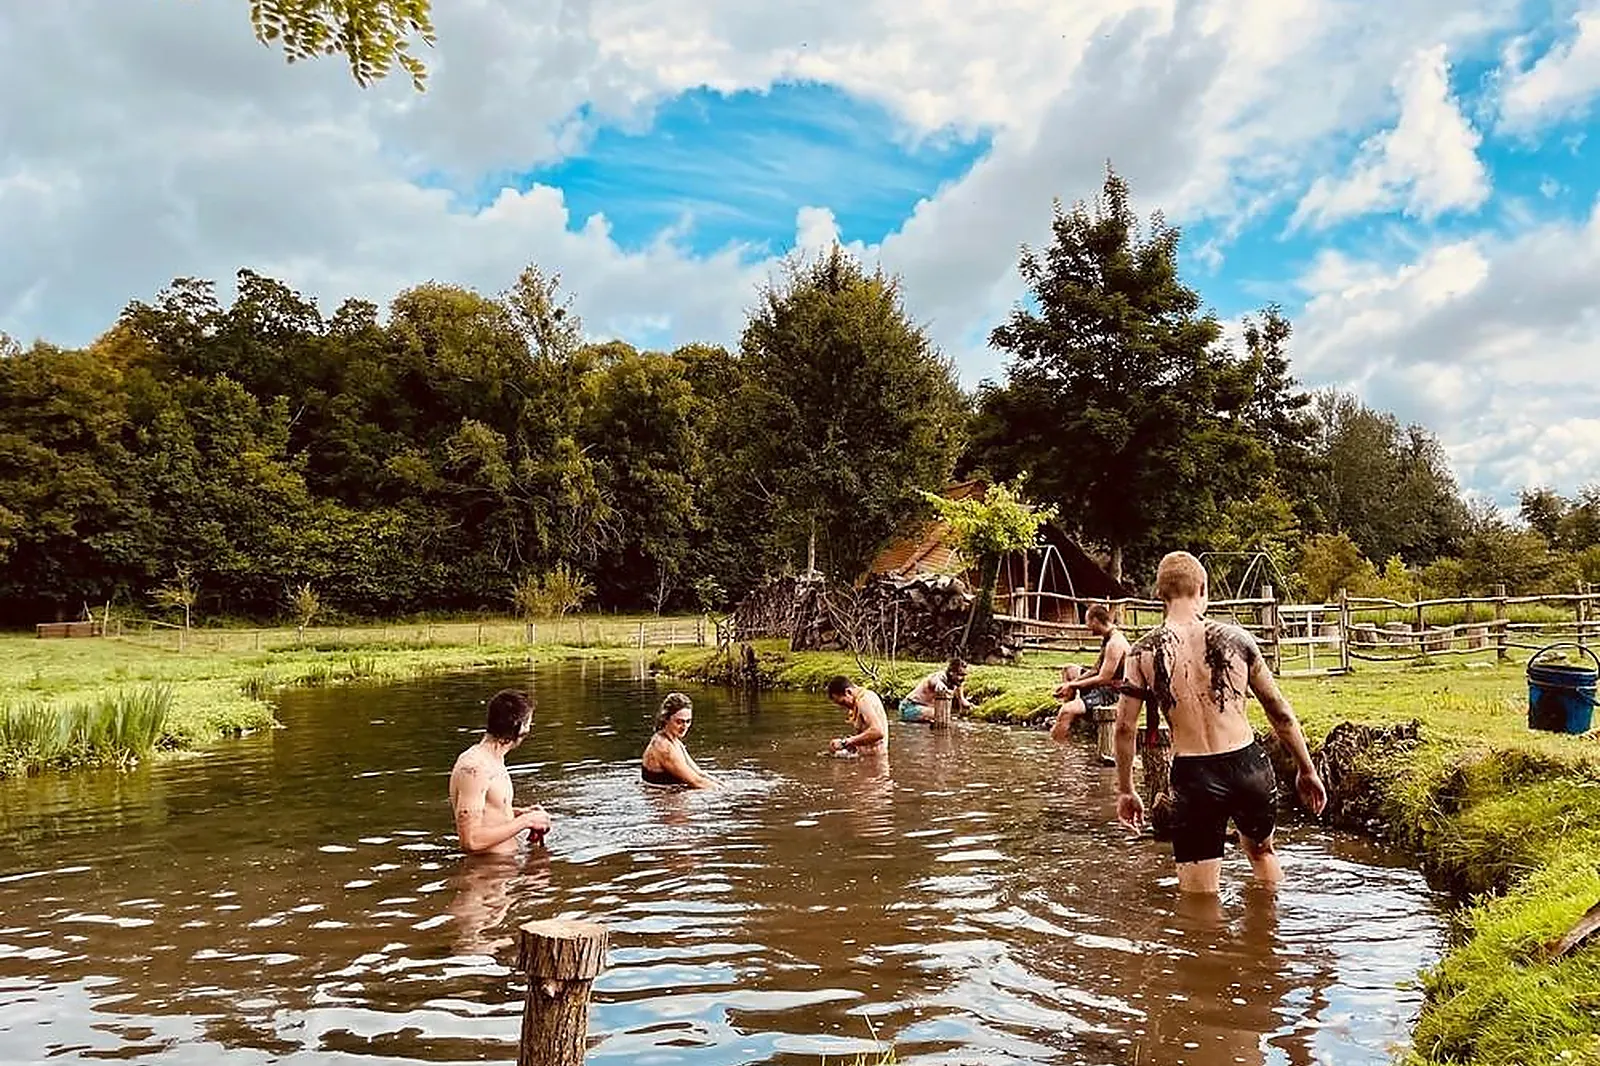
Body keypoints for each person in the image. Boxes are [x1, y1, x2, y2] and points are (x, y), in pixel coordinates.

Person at [1113, 551, 1327, 894]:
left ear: (1159, 595)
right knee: (1262, 854)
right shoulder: (1237, 640)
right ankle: (1268, 939)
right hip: (1247, 765)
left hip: (1194, 775)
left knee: (1199, 897)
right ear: (1203, 589)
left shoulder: (1142, 652)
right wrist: (1307, 769)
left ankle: (1207, 947)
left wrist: (1126, 789)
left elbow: (1124, 728)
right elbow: (1279, 711)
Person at [449, 689, 551, 856]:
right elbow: (470, 841)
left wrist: (520, 814)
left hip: (505, 868)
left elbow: (488, 813)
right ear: (519, 727)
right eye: (529, 723)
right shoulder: (474, 767)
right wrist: (526, 821)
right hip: (486, 874)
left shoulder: (494, 759)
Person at [1050, 604, 1131, 765]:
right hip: (1104, 684)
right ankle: (1069, 722)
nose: (1087, 626)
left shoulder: (1115, 643)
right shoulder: (1108, 637)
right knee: (1069, 670)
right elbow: (1096, 668)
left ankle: (1058, 755)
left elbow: (1103, 678)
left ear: (1095, 620)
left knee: (1066, 711)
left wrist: (1073, 686)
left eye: (1087, 622)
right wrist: (1073, 683)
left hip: (1112, 691)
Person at [641, 692, 717, 789]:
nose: (684, 727)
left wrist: (724, 786)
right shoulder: (663, 747)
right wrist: (730, 795)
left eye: (688, 721)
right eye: (679, 722)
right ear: (666, 719)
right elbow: (696, 782)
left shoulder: (674, 740)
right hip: (663, 800)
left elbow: (699, 773)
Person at [825, 675, 889, 755]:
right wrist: (850, 744)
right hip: (871, 757)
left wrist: (845, 742)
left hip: (874, 760)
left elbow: (877, 732)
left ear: (848, 692)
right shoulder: (865, 696)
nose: (844, 707)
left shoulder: (864, 701)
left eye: (843, 702)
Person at [898, 659, 973, 722]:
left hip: (926, 708)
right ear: (951, 672)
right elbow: (934, 680)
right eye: (960, 675)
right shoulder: (939, 677)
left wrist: (962, 699)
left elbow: (959, 685)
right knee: (940, 715)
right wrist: (939, 685)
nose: (963, 678)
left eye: (964, 675)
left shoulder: (955, 681)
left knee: (943, 716)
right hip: (909, 707)